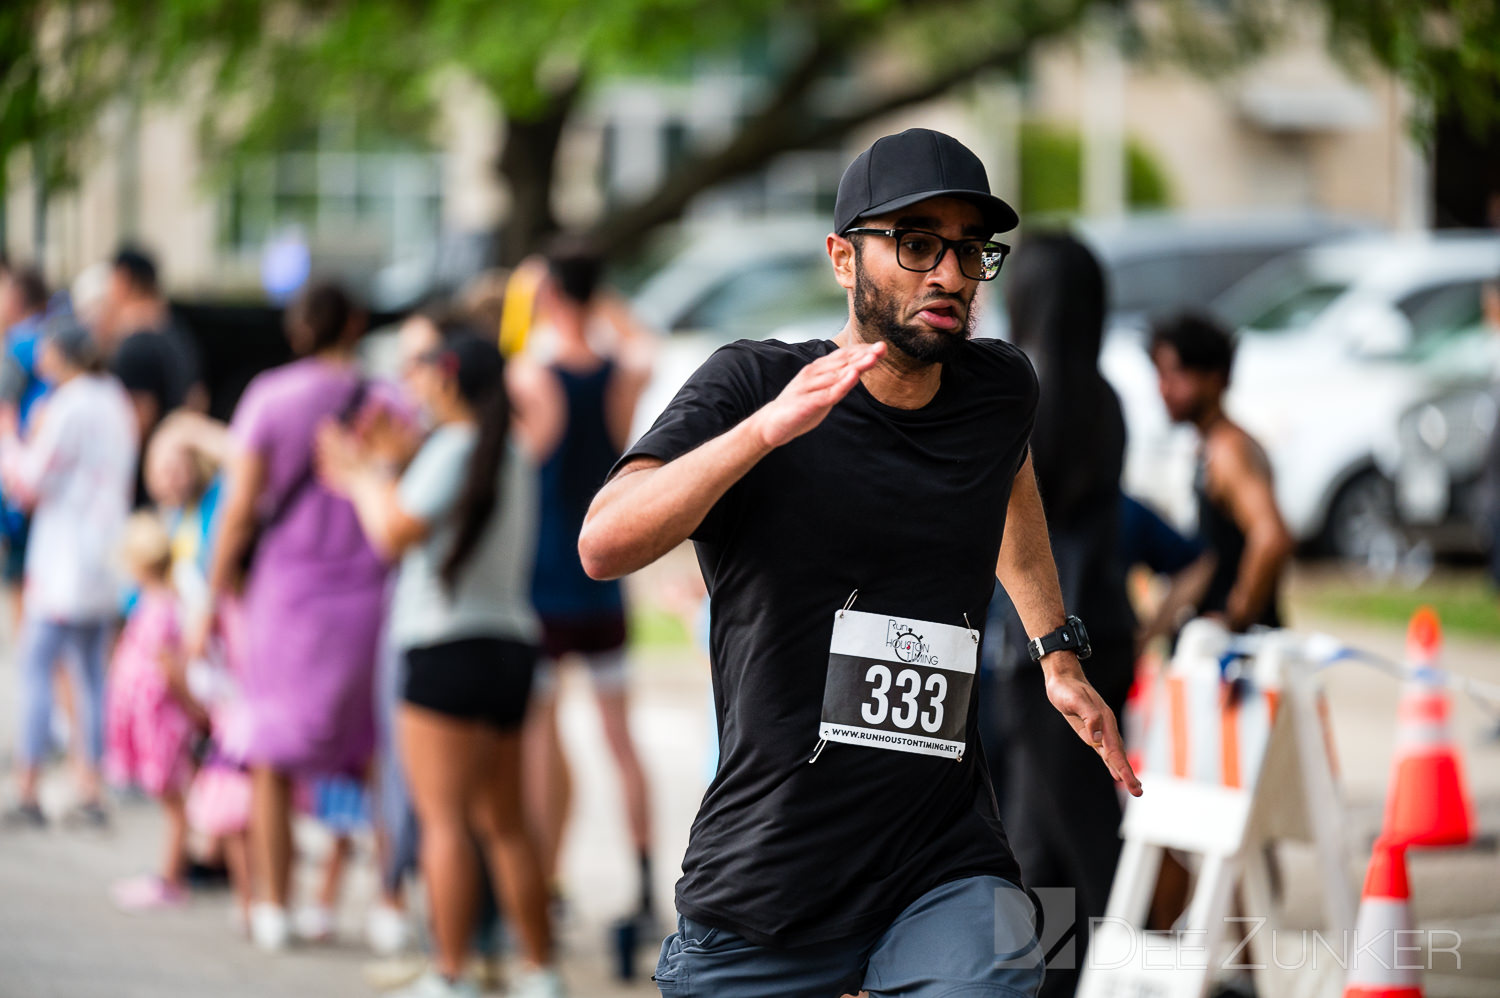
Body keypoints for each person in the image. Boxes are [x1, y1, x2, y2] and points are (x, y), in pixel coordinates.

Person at [580, 128, 1140, 998]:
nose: (949, 275)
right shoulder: (752, 382)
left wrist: (1055, 650)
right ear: (844, 258)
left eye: (968, 252)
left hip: (939, 859)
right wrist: (763, 434)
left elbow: (1009, 472)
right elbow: (604, 542)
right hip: (767, 881)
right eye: (916, 245)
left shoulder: (998, 392)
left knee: (1002, 964)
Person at [319, 331, 562, 998]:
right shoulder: (505, 447)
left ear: (450, 376)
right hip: (511, 645)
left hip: (442, 647)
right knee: (506, 823)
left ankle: (449, 974)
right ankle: (540, 973)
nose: (413, 383)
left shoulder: (455, 447)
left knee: (445, 821)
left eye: (421, 369)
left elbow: (394, 532)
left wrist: (365, 478)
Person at [194, 281, 394, 952]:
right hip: (372, 597)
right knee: (375, 752)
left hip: (284, 599)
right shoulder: (388, 401)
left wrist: (207, 598)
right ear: (357, 323)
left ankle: (275, 907)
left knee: (272, 753)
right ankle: (387, 905)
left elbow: (238, 511)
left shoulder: (270, 398)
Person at [988, 234, 1135, 997]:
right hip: (1105, 629)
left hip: (1040, 651)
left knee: (1076, 842)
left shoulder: (1025, 394)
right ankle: (1052, 985)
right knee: (1041, 842)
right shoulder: (1104, 396)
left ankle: (1146, 974)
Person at [515, 245, 656, 924]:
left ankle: (544, 880)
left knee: (542, 734)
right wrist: (604, 306)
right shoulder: (620, 375)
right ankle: (644, 877)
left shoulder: (532, 378)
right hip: (605, 579)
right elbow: (644, 344)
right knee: (620, 739)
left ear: (549, 294)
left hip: (544, 579)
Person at [0, 318, 138, 828]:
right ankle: (90, 784)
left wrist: (9, 439)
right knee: (88, 675)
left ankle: (29, 785)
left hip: (63, 560)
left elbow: (29, 481)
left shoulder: (69, 404)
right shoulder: (114, 398)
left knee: (37, 667)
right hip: (104, 557)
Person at [1149, 313, 1293, 631]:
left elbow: (1272, 537)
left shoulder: (1229, 449)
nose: (1164, 388)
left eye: (1176, 374)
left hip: (1242, 652)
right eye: (1159, 375)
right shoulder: (1209, 444)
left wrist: (1235, 616)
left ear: (1214, 378)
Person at [105, 512, 208, 910]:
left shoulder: (162, 606)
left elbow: (170, 665)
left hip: (163, 719)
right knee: (170, 798)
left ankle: (172, 877)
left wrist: (194, 709)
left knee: (173, 800)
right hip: (154, 716)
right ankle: (170, 872)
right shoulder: (154, 602)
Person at [95, 246, 206, 503]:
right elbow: (197, 398)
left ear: (123, 279)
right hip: (178, 478)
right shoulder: (178, 333)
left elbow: (136, 421)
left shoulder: (137, 343)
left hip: (146, 485)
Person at [0, 264, 50, 618]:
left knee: (19, 574)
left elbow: (5, 409)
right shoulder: (54, 335)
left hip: (22, 479)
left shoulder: (19, 343)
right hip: (50, 473)